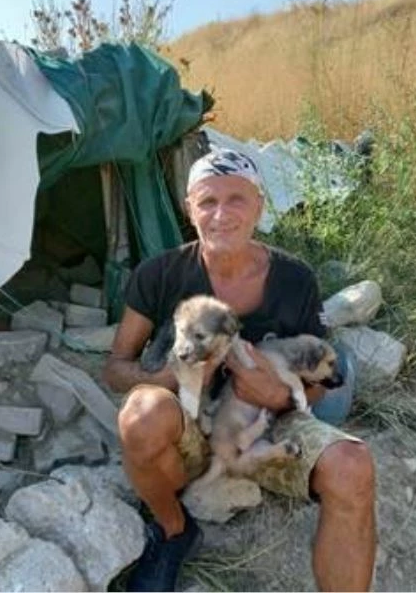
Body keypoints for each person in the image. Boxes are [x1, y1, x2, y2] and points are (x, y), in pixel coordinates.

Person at [102, 148, 376, 592]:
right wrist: (171, 378)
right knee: (142, 414)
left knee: (353, 464)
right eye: (207, 201)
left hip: (267, 430)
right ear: (189, 209)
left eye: (236, 199)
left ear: (259, 207)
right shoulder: (159, 273)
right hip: (187, 434)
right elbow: (115, 368)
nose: (221, 214)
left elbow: (319, 383)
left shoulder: (295, 280)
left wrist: (279, 397)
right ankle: (173, 530)